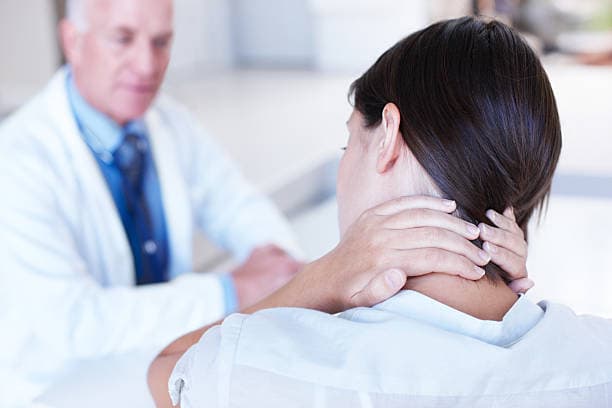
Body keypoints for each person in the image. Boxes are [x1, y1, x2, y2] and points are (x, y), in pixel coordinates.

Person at [0, 1, 528, 405]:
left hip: (167, 360)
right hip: (64, 384)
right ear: (72, 40)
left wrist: (295, 271)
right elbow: (72, 322)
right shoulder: (18, 159)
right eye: (123, 39)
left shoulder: (168, 123)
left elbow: (240, 208)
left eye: (161, 42)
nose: (146, 63)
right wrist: (235, 289)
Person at [149, 16, 612, 407]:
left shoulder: (255, 367)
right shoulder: (600, 359)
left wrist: (325, 279)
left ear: (388, 135)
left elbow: (167, 373)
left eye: (349, 142)